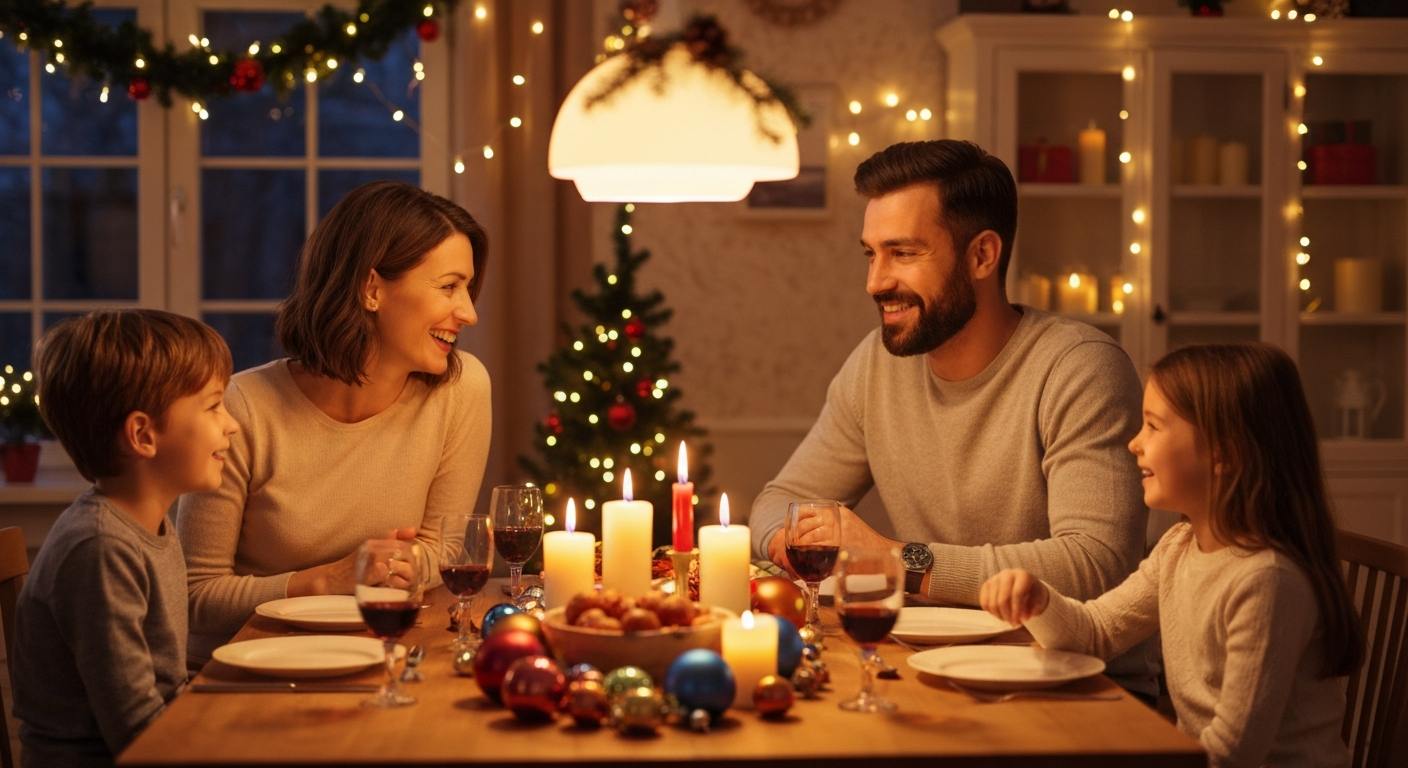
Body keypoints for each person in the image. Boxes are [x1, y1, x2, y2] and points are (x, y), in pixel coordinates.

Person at [749, 139, 1156, 698]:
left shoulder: (1079, 369)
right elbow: (778, 501)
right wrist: (790, 541)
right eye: (871, 253)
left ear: (982, 256)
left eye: (903, 253)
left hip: (1078, 687)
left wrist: (899, 561)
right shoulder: (875, 365)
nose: (875, 282)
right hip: (931, 671)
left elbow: (1095, 565)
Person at [980, 343, 1362, 768]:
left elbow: (1230, 756)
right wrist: (1039, 600)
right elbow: (1095, 634)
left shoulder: (1266, 581)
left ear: (1226, 451)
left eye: (1153, 426)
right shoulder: (1179, 547)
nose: (1134, 444)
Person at [179, 181, 492, 662]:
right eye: (449, 286)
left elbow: (443, 550)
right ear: (371, 289)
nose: (468, 312)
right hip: (244, 677)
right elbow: (194, 596)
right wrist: (324, 581)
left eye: (467, 289)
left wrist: (401, 565)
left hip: (373, 653)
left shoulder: (461, 389)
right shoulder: (243, 408)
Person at [13, 311, 238, 766]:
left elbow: (165, 694)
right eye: (214, 405)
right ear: (142, 435)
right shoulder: (100, 548)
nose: (231, 424)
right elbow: (139, 735)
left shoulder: (149, 525)